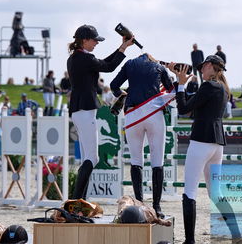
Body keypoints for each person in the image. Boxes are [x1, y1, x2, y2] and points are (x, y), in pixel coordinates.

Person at [168, 55, 242, 244]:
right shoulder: (222, 88)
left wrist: (181, 84)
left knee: (189, 192)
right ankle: (238, 239)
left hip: (201, 141)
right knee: (216, 193)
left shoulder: (209, 86)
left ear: (210, 66)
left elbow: (184, 108)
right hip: (217, 144)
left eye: (203, 68)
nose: (201, 71)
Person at [67, 24, 134, 200]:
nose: (96, 43)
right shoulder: (85, 58)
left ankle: (80, 201)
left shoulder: (77, 57)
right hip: (85, 110)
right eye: (94, 40)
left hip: (78, 110)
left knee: (87, 159)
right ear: (84, 40)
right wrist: (124, 48)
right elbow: (109, 66)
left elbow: (104, 62)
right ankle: (76, 202)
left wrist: (122, 47)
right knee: (92, 159)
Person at [110, 53, 174, 218]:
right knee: (157, 160)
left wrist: (124, 95)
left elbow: (113, 85)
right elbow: (170, 90)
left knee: (136, 160)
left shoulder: (130, 64)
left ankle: (139, 204)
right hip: (154, 115)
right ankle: (157, 207)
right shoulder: (159, 67)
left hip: (133, 115)